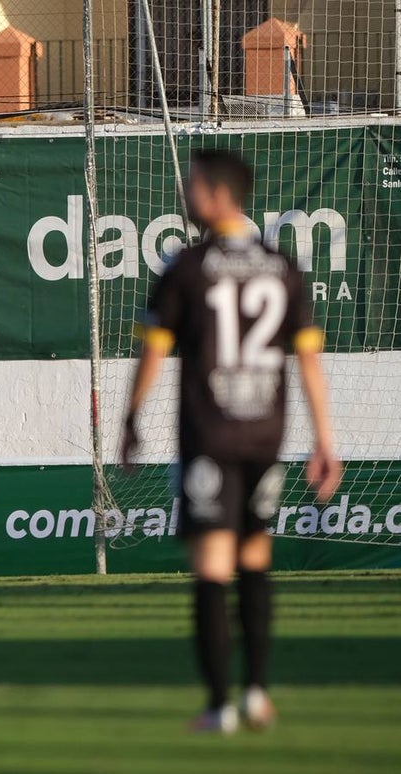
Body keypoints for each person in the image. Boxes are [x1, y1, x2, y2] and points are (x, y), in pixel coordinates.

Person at [121, 148, 341, 734]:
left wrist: (130, 416)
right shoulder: (282, 266)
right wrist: (324, 440)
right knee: (256, 560)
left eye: (192, 186)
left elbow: (156, 349)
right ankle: (259, 695)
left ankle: (219, 705)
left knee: (213, 567)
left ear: (216, 195)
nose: (187, 196)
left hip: (211, 435)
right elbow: (309, 363)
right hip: (266, 435)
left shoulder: (188, 267)